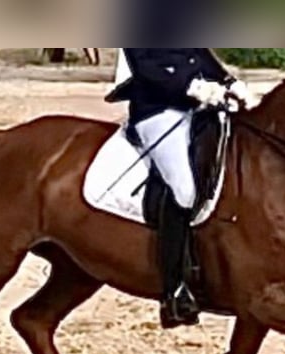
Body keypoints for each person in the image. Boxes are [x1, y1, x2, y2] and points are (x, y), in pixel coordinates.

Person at [106, 49, 258, 329]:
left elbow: (197, 52)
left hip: (197, 110)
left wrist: (228, 81)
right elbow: (147, 67)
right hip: (158, 111)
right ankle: (173, 290)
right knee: (184, 190)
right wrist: (191, 86)